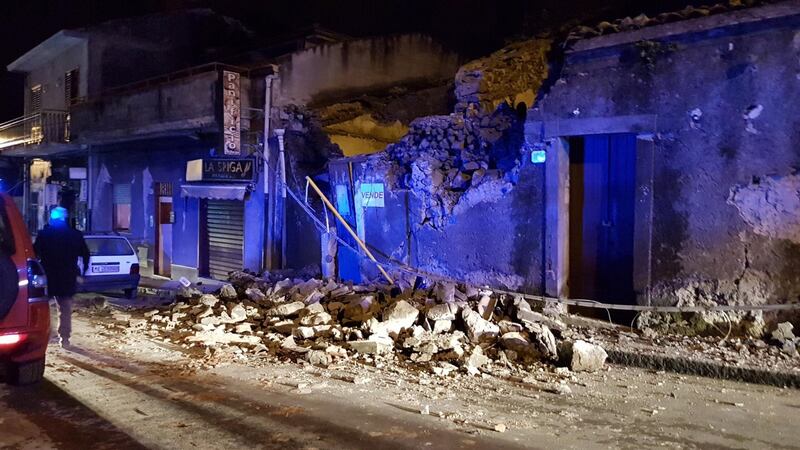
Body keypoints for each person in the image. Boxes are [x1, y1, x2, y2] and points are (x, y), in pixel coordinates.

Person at [34, 207, 89, 347]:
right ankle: (64, 338)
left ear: (52, 218)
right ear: (65, 218)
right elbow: (86, 254)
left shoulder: (44, 234)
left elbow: (34, 254)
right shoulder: (75, 234)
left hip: (48, 277)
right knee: (64, 309)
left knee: (42, 308)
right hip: (67, 277)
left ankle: (43, 336)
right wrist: (83, 272)